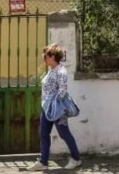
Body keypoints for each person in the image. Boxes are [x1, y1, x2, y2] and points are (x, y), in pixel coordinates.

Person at [27, 43, 81, 171]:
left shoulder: (61, 71)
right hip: (46, 108)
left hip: (57, 109)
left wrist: (53, 104)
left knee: (64, 133)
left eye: (45, 55)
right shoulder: (52, 70)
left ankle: (76, 158)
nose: (43, 57)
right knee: (44, 133)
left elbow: (62, 91)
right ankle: (43, 162)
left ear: (52, 56)